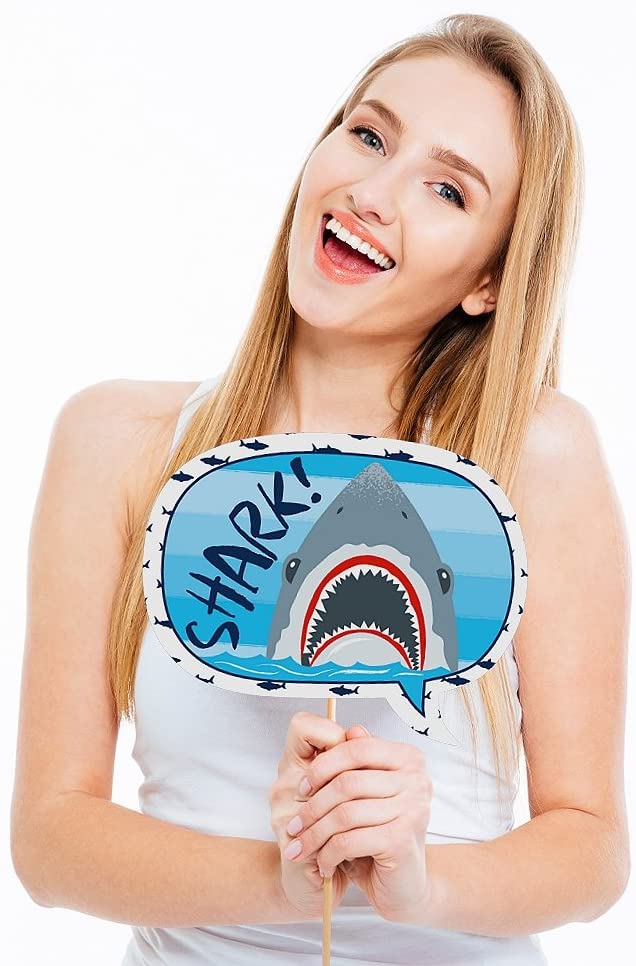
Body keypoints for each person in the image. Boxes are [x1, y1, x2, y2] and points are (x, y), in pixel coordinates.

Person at [11, 12, 630, 966]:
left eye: (446, 189)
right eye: (370, 136)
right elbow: (50, 842)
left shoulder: (535, 456)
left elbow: (591, 847)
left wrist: (419, 881)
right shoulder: (117, 442)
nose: (373, 194)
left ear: (489, 281)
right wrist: (288, 874)